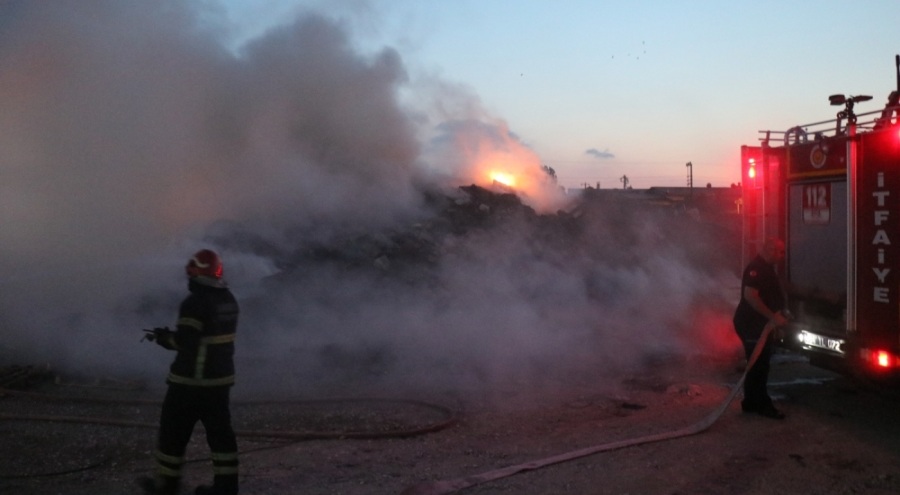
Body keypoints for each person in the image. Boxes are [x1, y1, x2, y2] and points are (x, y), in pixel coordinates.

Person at [139, 249, 240, 495]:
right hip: (219, 382)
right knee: (221, 437)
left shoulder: (194, 302)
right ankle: (226, 488)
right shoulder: (228, 299)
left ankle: (167, 487)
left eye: (191, 270)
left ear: (197, 272)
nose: (188, 274)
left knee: (172, 435)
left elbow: (185, 342)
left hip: (189, 384)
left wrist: (164, 338)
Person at [733, 238, 789, 420]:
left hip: (760, 325)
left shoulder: (766, 268)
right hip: (751, 325)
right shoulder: (756, 268)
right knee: (759, 365)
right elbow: (750, 296)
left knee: (756, 364)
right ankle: (762, 404)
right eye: (780, 252)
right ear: (770, 249)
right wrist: (773, 317)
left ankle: (750, 402)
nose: (782, 256)